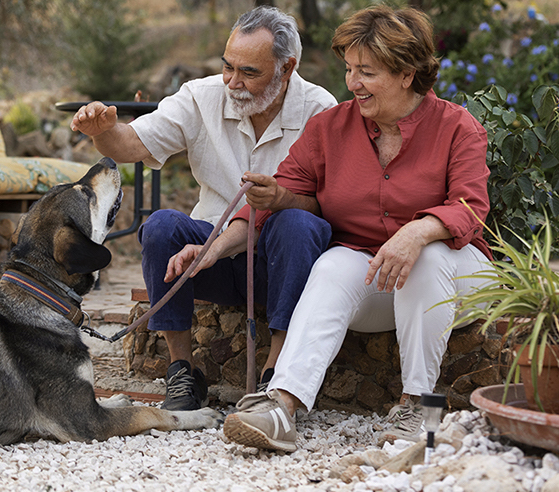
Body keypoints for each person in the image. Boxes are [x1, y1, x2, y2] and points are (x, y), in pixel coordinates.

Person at [205, 5, 492, 452]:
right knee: (335, 263)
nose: (352, 83)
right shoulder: (330, 128)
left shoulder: (458, 127)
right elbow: (281, 190)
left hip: (458, 275)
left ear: (407, 73)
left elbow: (471, 209)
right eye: (350, 70)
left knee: (428, 255)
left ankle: (421, 406)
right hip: (377, 276)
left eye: (367, 72)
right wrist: (217, 246)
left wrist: (415, 233)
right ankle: (282, 406)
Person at [70, 6, 337, 411]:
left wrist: (281, 200)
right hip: (208, 259)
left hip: (282, 262)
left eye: (249, 72)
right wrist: (104, 131)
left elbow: (328, 204)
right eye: (228, 66)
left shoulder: (321, 108)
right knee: (161, 226)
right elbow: (131, 145)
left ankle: (275, 375)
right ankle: (182, 372)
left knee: (297, 224)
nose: (233, 81)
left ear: (287, 68)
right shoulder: (202, 95)